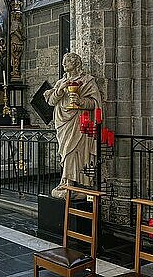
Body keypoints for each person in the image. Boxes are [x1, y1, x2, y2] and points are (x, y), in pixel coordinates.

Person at [43, 52, 102, 199]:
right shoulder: (61, 81)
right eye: (63, 61)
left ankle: (73, 183)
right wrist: (60, 89)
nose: (64, 64)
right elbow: (51, 101)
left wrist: (80, 101)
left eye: (67, 61)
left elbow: (95, 103)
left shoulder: (87, 81)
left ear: (75, 63)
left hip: (78, 121)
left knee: (75, 152)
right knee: (65, 152)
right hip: (62, 122)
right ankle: (66, 181)